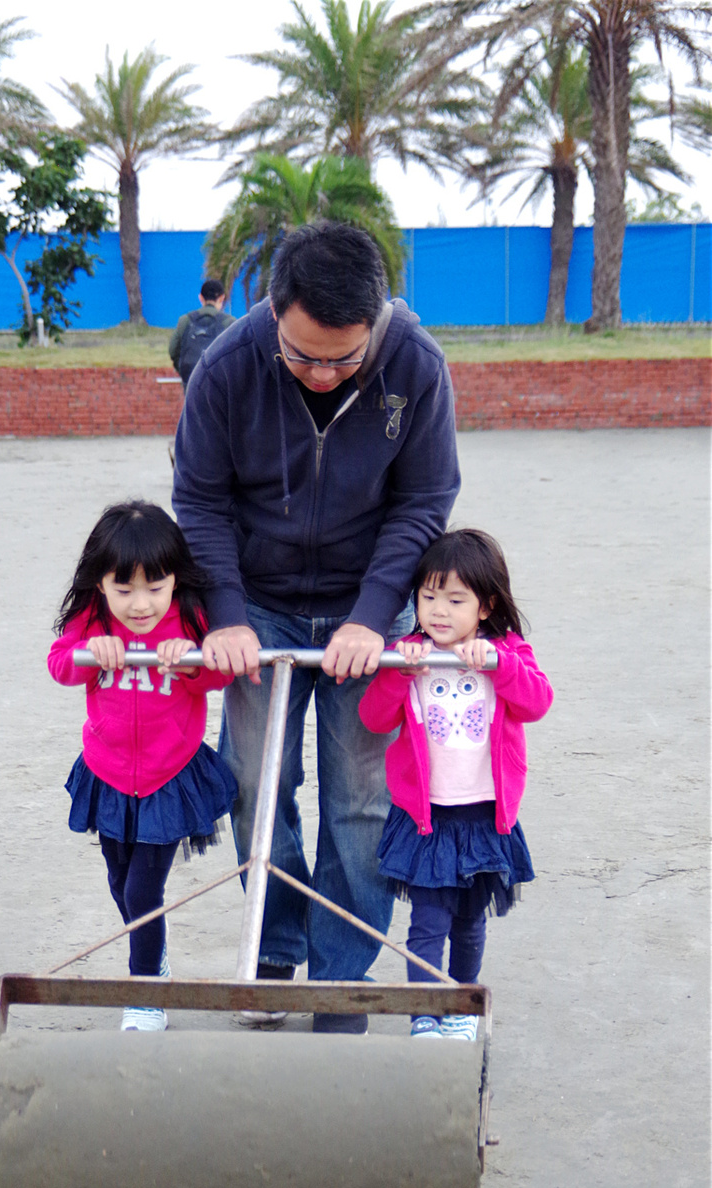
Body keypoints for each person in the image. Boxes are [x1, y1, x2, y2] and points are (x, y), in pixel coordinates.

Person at [172, 221, 461, 1034]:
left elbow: (424, 499)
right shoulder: (228, 365)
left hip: (364, 604)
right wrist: (225, 613)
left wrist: (374, 617)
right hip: (256, 603)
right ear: (273, 312)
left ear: (376, 322)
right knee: (256, 781)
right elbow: (198, 499)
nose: (324, 374)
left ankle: (340, 975)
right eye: (302, 355)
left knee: (361, 799)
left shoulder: (415, 366)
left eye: (343, 358)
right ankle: (275, 946)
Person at [47, 500, 237, 1032]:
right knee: (117, 880)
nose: (139, 605)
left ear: (175, 580)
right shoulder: (93, 620)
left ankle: (145, 991)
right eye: (123, 588)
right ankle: (153, 961)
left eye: (154, 588)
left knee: (141, 891)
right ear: (101, 584)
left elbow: (217, 678)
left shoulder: (190, 621)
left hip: (168, 777)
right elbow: (60, 663)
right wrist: (90, 646)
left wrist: (191, 661)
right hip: (107, 773)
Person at [359, 529, 553, 1040]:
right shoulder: (409, 654)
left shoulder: (507, 651)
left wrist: (500, 666)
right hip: (429, 817)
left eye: (455, 599)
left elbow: (538, 701)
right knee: (427, 923)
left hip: (484, 815)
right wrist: (398, 673)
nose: (438, 611)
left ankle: (463, 1004)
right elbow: (374, 718)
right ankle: (425, 1010)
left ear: (486, 606)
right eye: (428, 597)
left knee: (469, 921)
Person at [168, 278, 236, 390]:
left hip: (190, 378)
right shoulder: (229, 322)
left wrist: (182, 370)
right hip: (219, 381)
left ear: (200, 298)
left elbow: (173, 350)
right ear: (222, 298)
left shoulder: (185, 320)